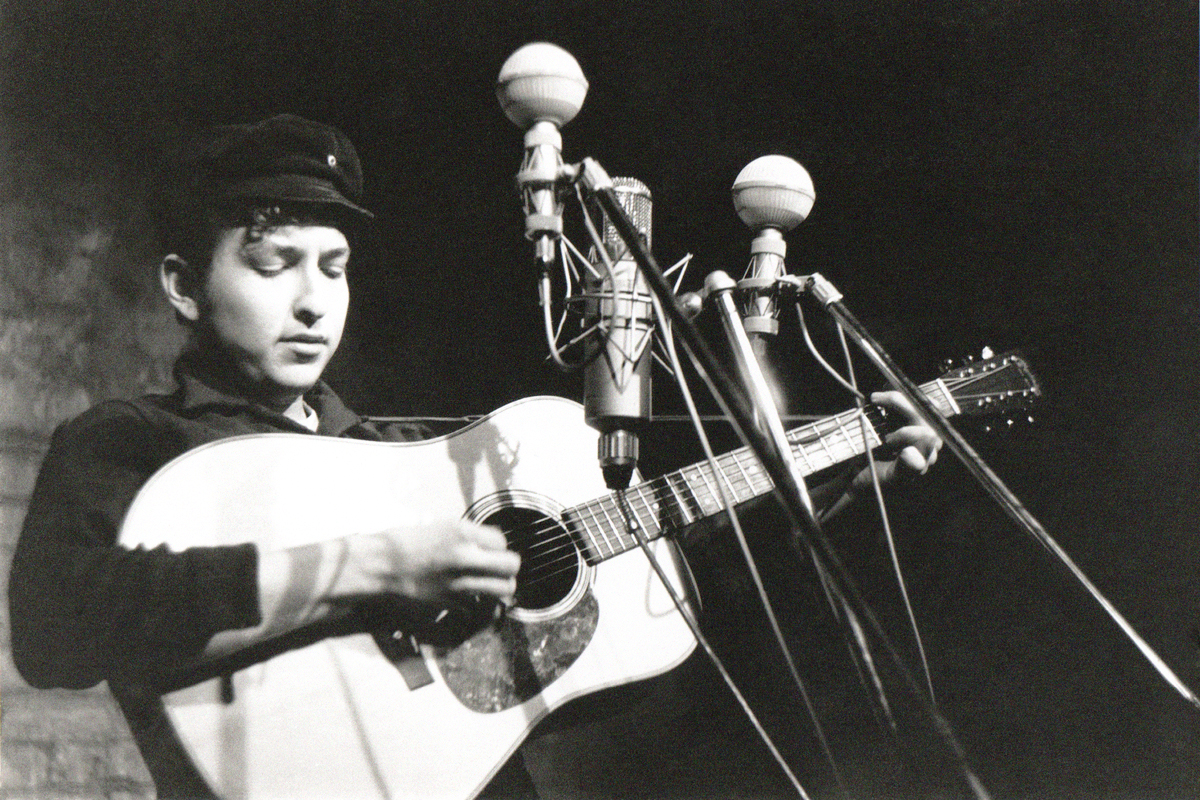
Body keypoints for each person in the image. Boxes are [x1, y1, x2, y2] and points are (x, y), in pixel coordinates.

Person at [7, 113, 942, 799]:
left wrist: (831, 479)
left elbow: (645, 569)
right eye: (273, 263)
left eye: (333, 267)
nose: (313, 301)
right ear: (183, 286)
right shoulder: (134, 441)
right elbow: (56, 630)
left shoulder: (409, 456)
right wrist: (372, 566)